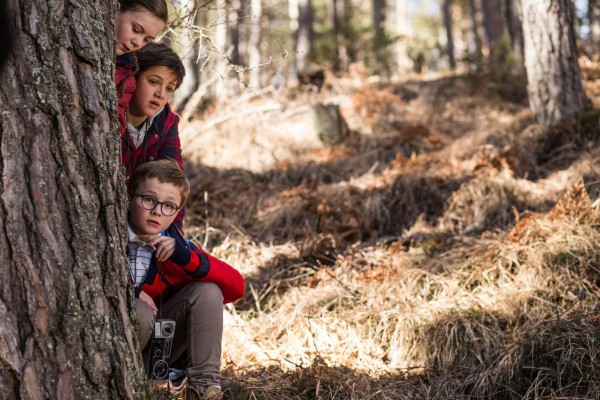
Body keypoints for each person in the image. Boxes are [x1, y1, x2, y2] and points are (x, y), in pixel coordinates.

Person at [127, 160, 245, 400]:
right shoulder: (105, 233)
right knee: (139, 311)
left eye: (169, 205)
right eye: (148, 199)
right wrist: (132, 291)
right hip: (117, 348)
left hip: (157, 353)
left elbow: (236, 287)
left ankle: (203, 388)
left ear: (177, 213)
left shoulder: (174, 247)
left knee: (208, 290)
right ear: (130, 197)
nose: (157, 211)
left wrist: (186, 257)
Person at [115, 0, 169, 164]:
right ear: (115, 9)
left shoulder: (128, 76)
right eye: (136, 30)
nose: (137, 43)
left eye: (147, 39)